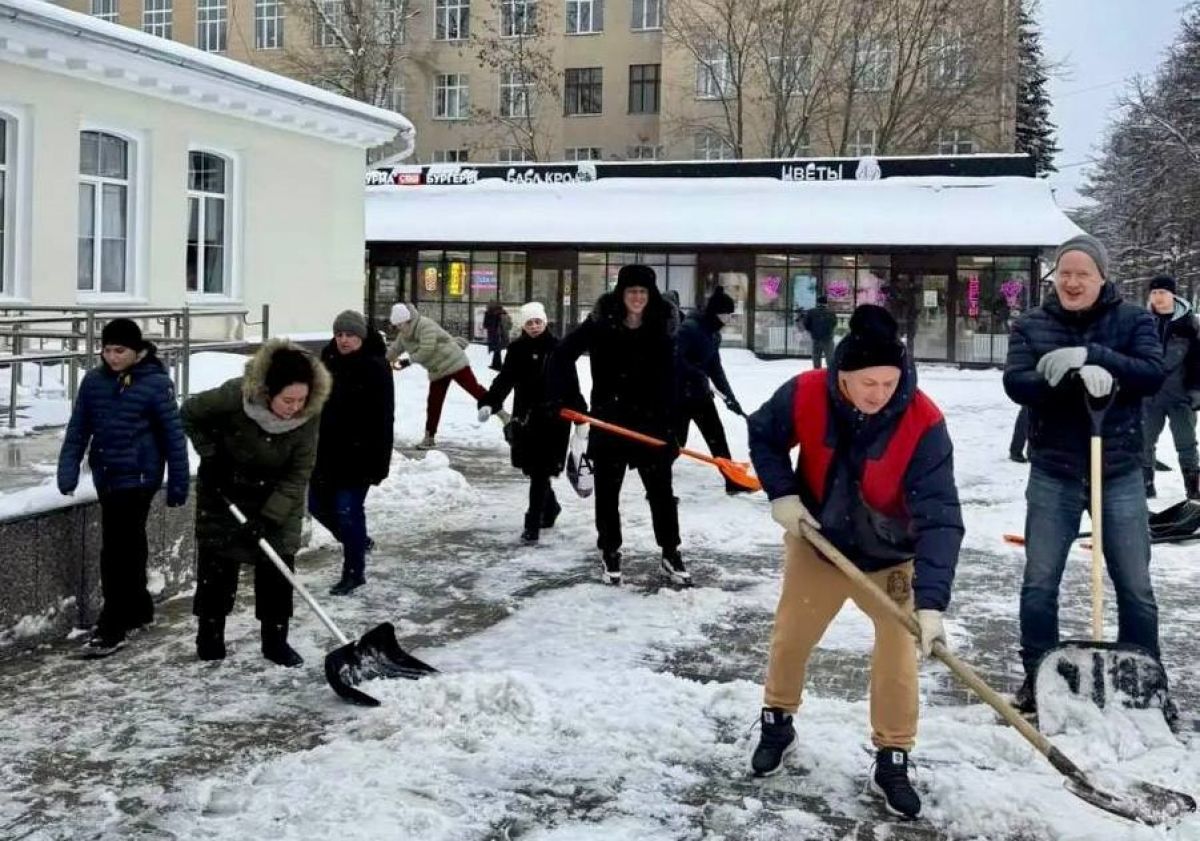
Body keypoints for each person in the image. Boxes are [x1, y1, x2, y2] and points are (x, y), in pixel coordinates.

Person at [746, 304, 963, 820]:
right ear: (842, 374)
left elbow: (941, 517)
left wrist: (931, 605)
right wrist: (783, 493)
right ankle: (777, 720)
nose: (879, 394)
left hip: (890, 557)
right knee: (792, 634)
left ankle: (893, 755)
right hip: (819, 543)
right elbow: (764, 433)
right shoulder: (805, 392)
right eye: (868, 382)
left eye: (890, 382)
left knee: (898, 653)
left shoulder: (924, 421)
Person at [1003, 234, 1165, 712]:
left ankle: (1143, 678)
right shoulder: (1032, 323)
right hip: (1054, 469)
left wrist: (1097, 358)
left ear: (1102, 277)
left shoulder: (1134, 320)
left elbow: (1151, 373)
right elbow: (1017, 382)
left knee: (1134, 582)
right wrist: (1061, 377)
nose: (1072, 282)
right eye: (1065, 273)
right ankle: (1038, 677)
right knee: (1039, 581)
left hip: (1118, 471)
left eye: (1083, 274)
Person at [181, 339, 331, 667]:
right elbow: (189, 414)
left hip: (277, 495)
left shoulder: (309, 414)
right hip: (225, 490)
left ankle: (275, 642)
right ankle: (210, 636)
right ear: (267, 392)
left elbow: (298, 473)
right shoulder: (234, 396)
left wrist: (268, 518)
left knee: (277, 570)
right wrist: (210, 455)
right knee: (216, 568)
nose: (295, 407)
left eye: (301, 400)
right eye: (287, 400)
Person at [57, 318, 190, 656]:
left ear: (137, 351)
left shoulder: (156, 384)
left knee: (115, 550)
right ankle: (138, 607)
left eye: (121, 350)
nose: (113, 357)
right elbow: (78, 428)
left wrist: (178, 482)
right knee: (129, 544)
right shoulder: (93, 382)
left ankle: (112, 624)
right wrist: (68, 470)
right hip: (107, 474)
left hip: (139, 477)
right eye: (107, 350)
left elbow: (173, 438)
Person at [549, 264, 686, 586]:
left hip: (652, 423)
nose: (637, 297)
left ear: (650, 295)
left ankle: (670, 551)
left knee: (662, 493)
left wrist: (673, 428)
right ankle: (610, 550)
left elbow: (675, 380)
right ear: (621, 294)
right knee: (608, 493)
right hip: (609, 421)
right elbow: (562, 354)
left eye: (643, 292)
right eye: (631, 291)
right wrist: (569, 399)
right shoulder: (601, 322)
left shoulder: (663, 326)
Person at [479, 301, 584, 544]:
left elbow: (572, 383)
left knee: (540, 470)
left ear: (545, 322)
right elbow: (505, 380)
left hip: (554, 420)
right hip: (526, 418)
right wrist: (490, 401)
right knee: (532, 469)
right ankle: (551, 508)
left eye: (538, 322)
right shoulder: (517, 350)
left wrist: (580, 414)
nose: (534, 326)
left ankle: (532, 524)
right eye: (529, 322)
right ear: (523, 325)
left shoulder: (558, 348)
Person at [309, 311, 395, 595]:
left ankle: (354, 572)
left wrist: (379, 461)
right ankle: (357, 541)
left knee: (348, 511)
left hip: (360, 456)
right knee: (316, 505)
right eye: (339, 335)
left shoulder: (375, 367)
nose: (344, 340)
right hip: (326, 452)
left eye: (350, 335)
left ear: (361, 336)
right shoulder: (327, 360)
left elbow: (385, 418)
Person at [387, 302, 490, 449]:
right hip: (437, 370)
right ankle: (429, 438)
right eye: (396, 325)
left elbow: (426, 350)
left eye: (399, 325)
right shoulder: (404, 336)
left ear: (407, 320)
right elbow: (394, 349)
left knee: (474, 389)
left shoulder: (424, 325)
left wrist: (408, 361)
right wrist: (383, 362)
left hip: (453, 360)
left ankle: (503, 416)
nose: (398, 328)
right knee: (434, 403)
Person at [674, 286, 747, 494]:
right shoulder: (689, 328)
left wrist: (730, 398)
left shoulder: (714, 335)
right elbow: (674, 358)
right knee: (676, 442)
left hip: (701, 396)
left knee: (717, 437)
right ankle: (655, 485)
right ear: (715, 313)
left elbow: (716, 368)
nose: (728, 319)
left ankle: (732, 482)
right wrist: (696, 372)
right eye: (726, 314)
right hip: (679, 396)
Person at [1142, 275, 1200, 500]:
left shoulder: (1189, 323)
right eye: (1154, 293)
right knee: (1144, 441)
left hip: (1180, 395)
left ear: (1172, 294)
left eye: (1162, 293)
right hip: (1149, 396)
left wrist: (1196, 389)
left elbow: (1197, 360)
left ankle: (1193, 488)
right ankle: (1145, 484)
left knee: (1186, 443)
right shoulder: (1143, 321)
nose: (1158, 297)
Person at [802, 295, 837, 369]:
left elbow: (806, 324)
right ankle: (830, 375)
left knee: (816, 358)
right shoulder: (831, 312)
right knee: (830, 358)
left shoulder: (811, 312)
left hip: (816, 338)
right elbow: (834, 323)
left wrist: (812, 331)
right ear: (826, 303)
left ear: (817, 302)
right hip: (828, 339)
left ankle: (817, 373)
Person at [483, 301, 511, 372]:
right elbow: (509, 325)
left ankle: (497, 365)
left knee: (497, 350)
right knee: (497, 350)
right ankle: (496, 364)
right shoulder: (504, 313)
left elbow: (486, 325)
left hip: (495, 335)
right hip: (503, 335)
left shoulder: (490, 314)